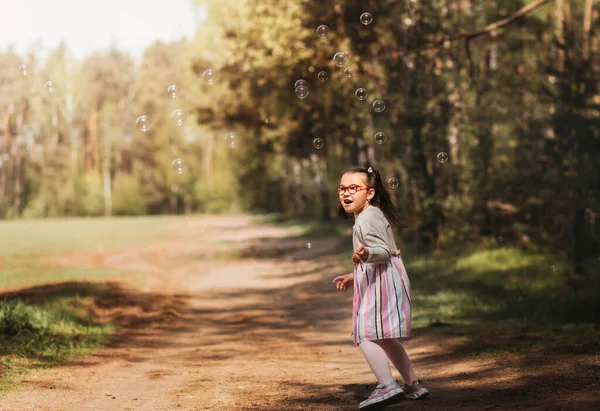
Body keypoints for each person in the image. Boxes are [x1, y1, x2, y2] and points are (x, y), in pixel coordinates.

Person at [332, 166, 429, 410]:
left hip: (382, 281)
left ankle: (387, 386)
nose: (346, 193)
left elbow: (383, 253)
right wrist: (353, 275)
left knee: (365, 334)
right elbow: (378, 254)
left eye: (354, 188)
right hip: (382, 279)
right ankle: (412, 384)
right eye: (342, 188)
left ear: (370, 192)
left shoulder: (369, 216)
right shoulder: (368, 215)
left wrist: (366, 253)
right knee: (383, 337)